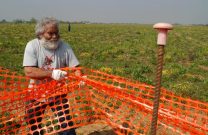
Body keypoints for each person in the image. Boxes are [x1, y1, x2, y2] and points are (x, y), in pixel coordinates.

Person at [23, 17, 79, 135]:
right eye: (50, 33)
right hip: (36, 93)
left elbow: (76, 68)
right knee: (34, 125)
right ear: (40, 33)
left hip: (58, 93)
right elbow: (29, 71)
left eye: (56, 33)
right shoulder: (32, 46)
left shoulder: (65, 47)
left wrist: (80, 77)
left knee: (67, 127)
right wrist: (52, 73)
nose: (54, 36)